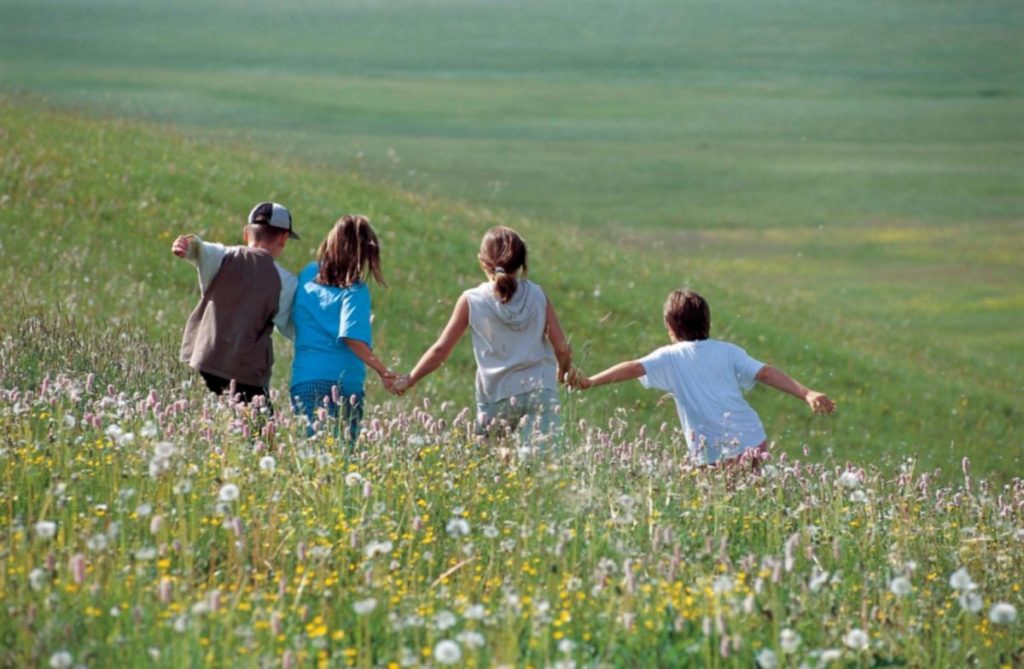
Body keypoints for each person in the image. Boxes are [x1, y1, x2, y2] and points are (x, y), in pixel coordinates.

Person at [573, 289, 835, 466]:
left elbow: (633, 367)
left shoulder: (670, 356)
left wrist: (591, 381)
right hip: (751, 438)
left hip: (710, 452)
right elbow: (765, 372)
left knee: (718, 513)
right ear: (707, 321)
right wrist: (807, 393)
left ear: (671, 327)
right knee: (750, 505)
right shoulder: (728, 351)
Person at [398, 226, 575, 450]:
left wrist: (410, 378)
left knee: (494, 468)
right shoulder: (538, 295)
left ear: (482, 262)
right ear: (522, 264)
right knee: (540, 469)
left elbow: (440, 351)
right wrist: (564, 370)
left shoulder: (472, 300)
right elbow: (562, 347)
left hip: (496, 396)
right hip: (539, 391)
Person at [172, 202, 299, 403]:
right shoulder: (286, 282)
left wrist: (185, 246)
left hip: (204, 358)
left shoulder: (224, 256)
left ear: (246, 233)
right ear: (283, 238)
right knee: (258, 430)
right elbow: (291, 326)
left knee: (204, 420)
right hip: (246, 372)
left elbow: (200, 248)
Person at [289, 214, 399, 444]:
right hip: (343, 383)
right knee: (341, 454)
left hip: (305, 378)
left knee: (307, 452)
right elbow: (351, 338)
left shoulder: (308, 274)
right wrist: (382, 371)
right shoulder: (354, 289)